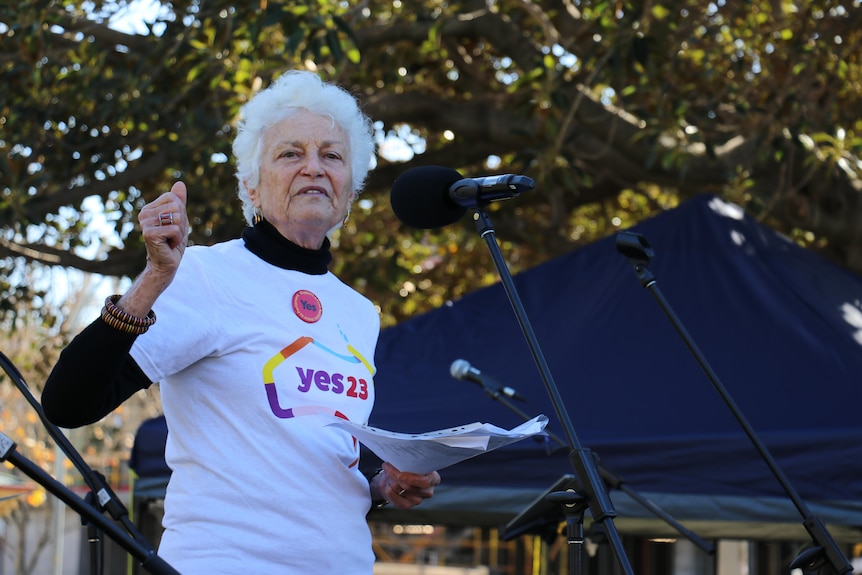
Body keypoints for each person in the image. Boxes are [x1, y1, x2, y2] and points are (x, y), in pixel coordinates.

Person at [41, 70, 441, 575]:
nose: (314, 168)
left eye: (332, 156)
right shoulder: (206, 275)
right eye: (291, 153)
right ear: (251, 186)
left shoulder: (359, 312)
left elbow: (320, 453)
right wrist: (154, 279)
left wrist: (381, 484)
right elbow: (68, 403)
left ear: (350, 188)